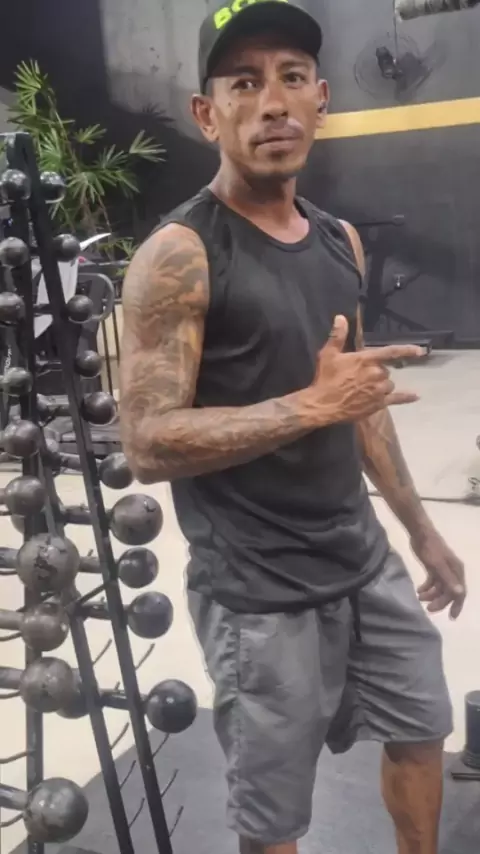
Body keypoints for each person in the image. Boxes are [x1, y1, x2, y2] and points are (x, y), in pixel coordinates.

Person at [119, 2, 466, 852]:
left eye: (292, 77)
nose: (272, 102)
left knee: (422, 725)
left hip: (362, 561)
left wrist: (421, 533)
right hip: (258, 594)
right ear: (207, 114)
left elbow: (360, 406)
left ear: (321, 99)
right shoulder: (180, 254)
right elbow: (147, 442)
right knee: (275, 817)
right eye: (243, 83)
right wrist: (310, 406)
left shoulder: (341, 242)